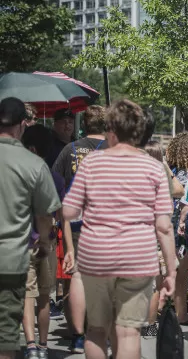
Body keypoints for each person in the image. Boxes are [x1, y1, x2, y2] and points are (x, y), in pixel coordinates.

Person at [62, 99, 176, 359]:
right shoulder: (154, 167)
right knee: (128, 333)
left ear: (110, 131)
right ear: (138, 131)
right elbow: (163, 225)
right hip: (138, 258)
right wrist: (170, 270)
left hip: (96, 256)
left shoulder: (91, 164)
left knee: (97, 330)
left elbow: (68, 211)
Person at [0, 98, 61, 359]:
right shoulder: (33, 164)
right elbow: (45, 215)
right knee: (6, 335)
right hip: (11, 259)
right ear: (22, 125)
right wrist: (46, 245)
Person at [52, 105, 108, 354]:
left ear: (84, 124)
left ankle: (77, 334)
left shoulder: (71, 149)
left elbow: (54, 183)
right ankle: (99, 331)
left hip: (75, 219)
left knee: (76, 276)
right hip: (107, 221)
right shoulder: (115, 150)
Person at [20, 125, 65, 359]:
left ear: (31, 148)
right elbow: (59, 214)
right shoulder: (56, 178)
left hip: (24, 242)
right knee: (45, 297)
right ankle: (45, 345)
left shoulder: (19, 174)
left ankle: (30, 345)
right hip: (47, 243)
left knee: (28, 295)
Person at [165, 132, 188, 326]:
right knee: (181, 271)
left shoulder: (169, 171)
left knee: (164, 275)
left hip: (163, 225)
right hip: (182, 227)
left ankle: (153, 328)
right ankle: (181, 314)